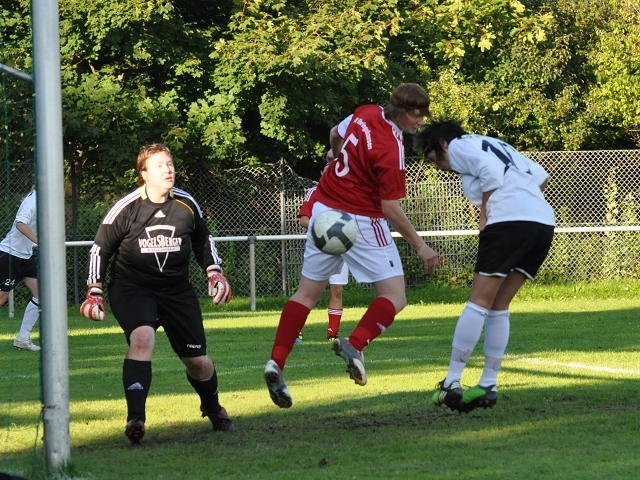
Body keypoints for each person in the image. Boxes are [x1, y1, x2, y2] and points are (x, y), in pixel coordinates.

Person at [263, 83, 440, 409]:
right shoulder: (392, 148)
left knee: (305, 294)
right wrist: (421, 246)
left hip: (324, 211)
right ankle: (355, 343)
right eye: (418, 115)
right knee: (395, 295)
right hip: (359, 220)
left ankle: (276, 362)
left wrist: (336, 153)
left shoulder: (366, 112)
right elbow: (390, 207)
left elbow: (334, 134)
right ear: (402, 111)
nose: (421, 122)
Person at [80, 143, 234, 444]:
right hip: (132, 288)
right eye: (160, 165)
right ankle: (135, 419)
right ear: (144, 174)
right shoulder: (126, 208)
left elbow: (203, 239)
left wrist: (214, 271)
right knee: (143, 339)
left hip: (176, 291)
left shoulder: (186, 203)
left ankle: (213, 408)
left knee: (198, 362)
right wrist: (94, 289)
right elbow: (100, 248)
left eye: (170, 163)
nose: (168, 169)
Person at [414, 119, 555, 412]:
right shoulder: (496, 144)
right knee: (499, 305)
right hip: (541, 223)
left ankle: (451, 381)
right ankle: (488, 384)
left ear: (442, 144)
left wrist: (485, 214)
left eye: (433, 160)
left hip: (509, 221)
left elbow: (491, 174)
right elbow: (542, 176)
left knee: (479, 302)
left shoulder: (459, 145)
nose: (439, 167)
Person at [297, 149, 350, 343]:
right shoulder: (314, 192)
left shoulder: (348, 193)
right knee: (309, 292)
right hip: (320, 247)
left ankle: (332, 334)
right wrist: (325, 228)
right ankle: (296, 331)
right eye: (327, 168)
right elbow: (304, 220)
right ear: (321, 173)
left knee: (337, 290)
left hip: (341, 247)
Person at [0, 189, 41, 352]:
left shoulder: (46, 200)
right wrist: (41, 242)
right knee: (1, 299)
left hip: (26, 256)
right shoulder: (35, 198)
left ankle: (22, 338)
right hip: (10, 255)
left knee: (41, 295)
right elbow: (20, 223)